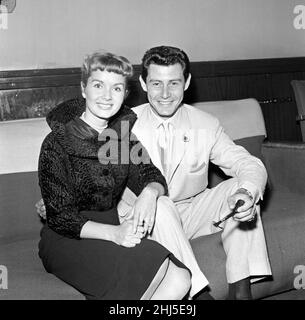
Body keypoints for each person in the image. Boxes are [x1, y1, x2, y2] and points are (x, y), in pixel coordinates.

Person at [119, 45, 272, 300]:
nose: (165, 94)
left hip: (190, 213)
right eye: (157, 84)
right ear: (144, 84)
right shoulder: (122, 125)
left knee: (243, 189)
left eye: (174, 83)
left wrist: (247, 190)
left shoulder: (205, 124)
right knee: (161, 203)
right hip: (141, 219)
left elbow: (248, 164)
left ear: (187, 82)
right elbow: (93, 175)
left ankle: (241, 290)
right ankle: (197, 292)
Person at [37, 50, 191, 300]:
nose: (107, 97)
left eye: (117, 88)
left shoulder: (123, 138)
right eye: (98, 85)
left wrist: (150, 192)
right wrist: (115, 234)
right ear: (84, 88)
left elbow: (151, 174)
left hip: (114, 229)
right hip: (67, 238)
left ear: (125, 94)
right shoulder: (57, 141)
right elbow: (61, 218)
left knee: (181, 278)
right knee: (162, 273)